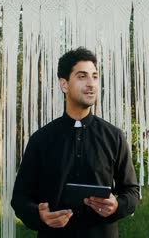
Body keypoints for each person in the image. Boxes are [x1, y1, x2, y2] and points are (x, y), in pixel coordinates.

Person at [11, 47, 139, 238]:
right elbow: (20, 198)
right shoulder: (41, 139)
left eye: (95, 76)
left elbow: (131, 191)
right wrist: (39, 215)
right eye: (82, 76)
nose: (91, 84)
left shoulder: (114, 136)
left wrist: (117, 206)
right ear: (64, 85)